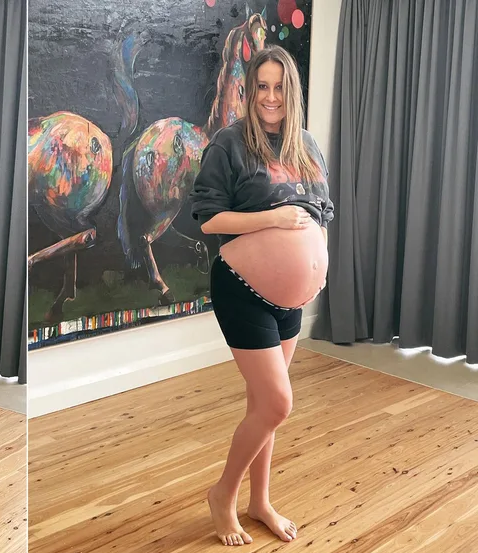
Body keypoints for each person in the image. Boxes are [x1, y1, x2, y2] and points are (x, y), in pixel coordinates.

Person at [190, 45, 333, 547]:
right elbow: (209, 218)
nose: (269, 97)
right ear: (249, 92)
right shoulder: (229, 144)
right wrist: (274, 219)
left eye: (279, 87)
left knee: (261, 403)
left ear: (291, 92)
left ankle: (260, 501)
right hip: (243, 290)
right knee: (276, 403)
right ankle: (223, 495)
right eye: (261, 87)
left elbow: (322, 210)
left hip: (290, 299)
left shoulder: (306, 145)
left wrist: (311, 251)